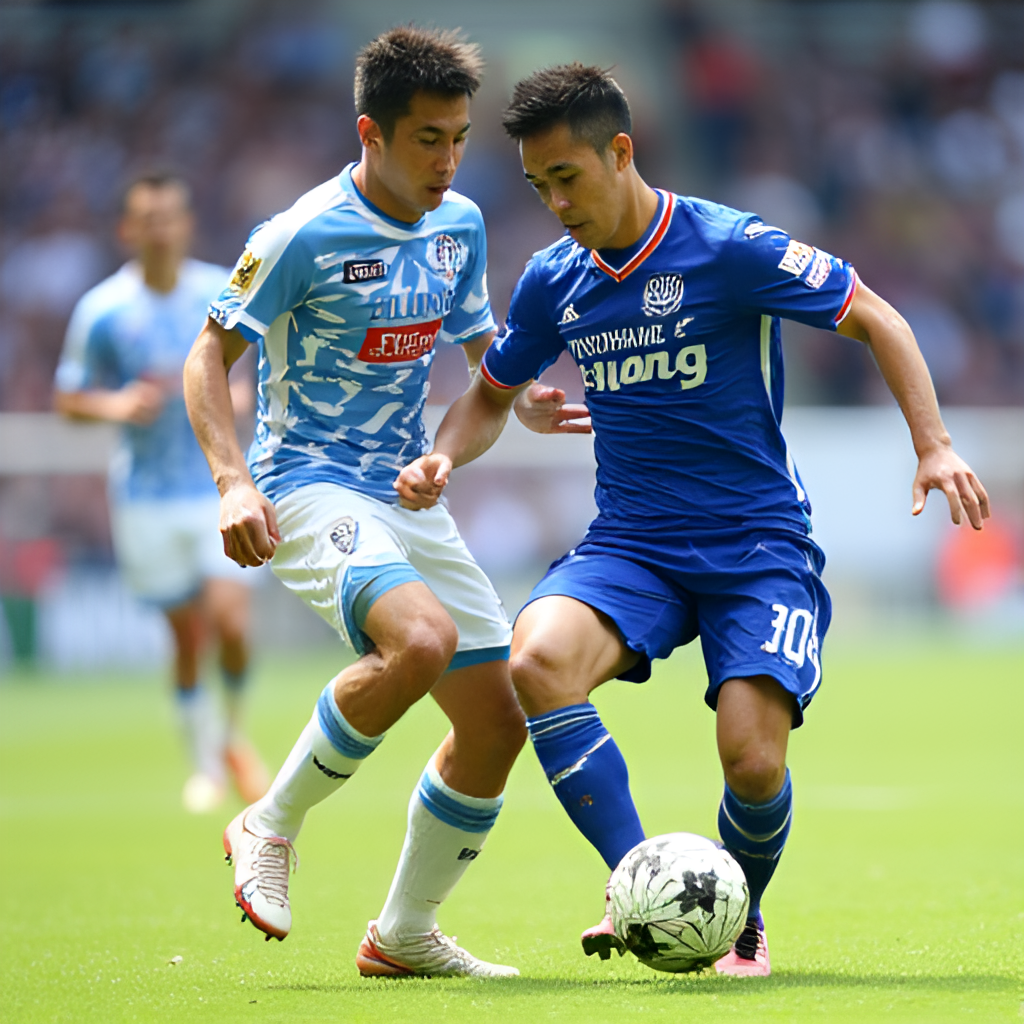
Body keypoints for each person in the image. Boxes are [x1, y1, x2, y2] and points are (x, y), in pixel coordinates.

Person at [394, 64, 990, 977]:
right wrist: (444, 453)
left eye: (568, 177)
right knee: (536, 659)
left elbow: (877, 317)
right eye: (539, 186)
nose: (556, 204)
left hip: (757, 546)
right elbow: (489, 395)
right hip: (632, 544)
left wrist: (935, 445)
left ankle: (741, 918)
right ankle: (640, 880)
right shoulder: (555, 280)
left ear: (620, 152)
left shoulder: (729, 246)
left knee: (752, 762)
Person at [183, 27, 538, 978]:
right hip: (305, 483)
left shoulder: (460, 225)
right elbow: (207, 357)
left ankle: (403, 935)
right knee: (419, 641)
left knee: (497, 725)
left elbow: (485, 371)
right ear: (370, 133)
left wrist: (520, 399)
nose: (448, 160)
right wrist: (232, 482)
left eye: (459, 138)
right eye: (428, 139)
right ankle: (268, 822)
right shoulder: (299, 234)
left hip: (405, 494)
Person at [54, 173, 269, 815]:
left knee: (231, 624)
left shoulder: (219, 291)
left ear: (186, 224)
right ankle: (204, 763)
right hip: (146, 497)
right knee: (186, 638)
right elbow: (69, 396)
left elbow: (254, 368)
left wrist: (239, 395)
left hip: (216, 488)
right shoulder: (103, 309)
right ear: (128, 229)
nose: (160, 229)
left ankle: (231, 738)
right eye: (147, 218)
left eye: (169, 216)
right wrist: (117, 405)